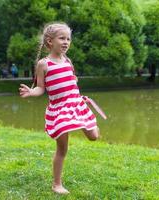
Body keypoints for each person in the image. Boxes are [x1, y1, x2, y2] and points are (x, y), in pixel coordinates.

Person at [19, 22, 107, 195]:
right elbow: (41, 88)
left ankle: (91, 124)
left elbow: (71, 80)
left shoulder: (68, 60)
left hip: (76, 105)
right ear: (50, 41)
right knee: (62, 149)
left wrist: (73, 84)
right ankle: (57, 184)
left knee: (94, 137)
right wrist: (31, 92)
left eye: (68, 39)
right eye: (62, 38)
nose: (66, 42)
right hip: (59, 110)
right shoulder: (43, 64)